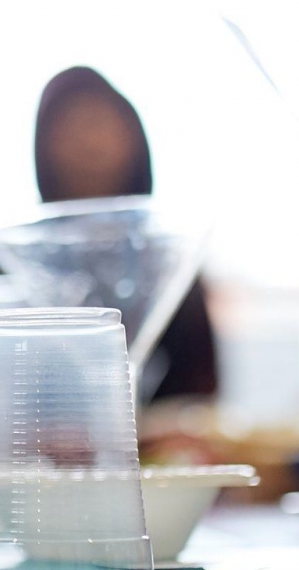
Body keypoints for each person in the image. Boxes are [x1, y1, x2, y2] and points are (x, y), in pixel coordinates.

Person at [27, 67, 218, 400]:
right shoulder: (21, 257)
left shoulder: (166, 256)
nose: (88, 143)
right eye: (69, 127)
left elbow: (201, 385)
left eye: (99, 124)